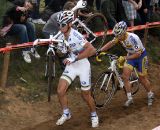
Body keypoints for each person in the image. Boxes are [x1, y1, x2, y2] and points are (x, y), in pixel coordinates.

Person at [55, 11, 99, 127]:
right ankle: (66, 113)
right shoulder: (59, 35)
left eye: (62, 25)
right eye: (59, 25)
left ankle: (94, 114)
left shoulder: (76, 35)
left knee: (85, 95)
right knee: (60, 91)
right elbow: (60, 53)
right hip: (72, 65)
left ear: (69, 24)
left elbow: (92, 50)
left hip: (83, 65)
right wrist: (61, 52)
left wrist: (75, 58)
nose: (60, 27)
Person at [97, 21, 154, 107]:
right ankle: (130, 98)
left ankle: (150, 94)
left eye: (118, 35)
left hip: (141, 57)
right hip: (131, 56)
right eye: (116, 35)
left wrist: (124, 58)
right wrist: (100, 50)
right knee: (125, 77)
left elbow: (138, 54)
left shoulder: (132, 38)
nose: (117, 37)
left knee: (142, 78)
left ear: (124, 33)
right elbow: (111, 43)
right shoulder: (119, 36)